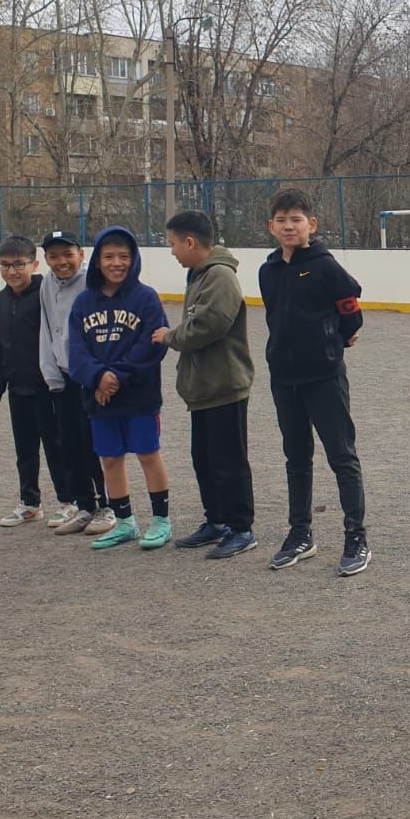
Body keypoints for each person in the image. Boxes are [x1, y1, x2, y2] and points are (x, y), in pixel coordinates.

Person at [259, 188, 370, 574]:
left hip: (324, 377)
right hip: (284, 379)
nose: (289, 226)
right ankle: (300, 535)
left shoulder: (324, 266)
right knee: (296, 458)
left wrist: (339, 338)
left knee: (342, 457)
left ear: (312, 224)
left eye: (296, 220)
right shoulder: (268, 271)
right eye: (282, 220)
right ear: (272, 226)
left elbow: (351, 307)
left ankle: (356, 537)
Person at [153, 210, 257, 560]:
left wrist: (170, 336)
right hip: (204, 388)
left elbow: (210, 324)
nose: (172, 251)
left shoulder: (220, 276)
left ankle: (242, 528)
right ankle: (217, 521)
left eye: (172, 244)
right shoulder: (199, 274)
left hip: (224, 385)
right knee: (205, 460)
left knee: (229, 462)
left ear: (190, 242)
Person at [67, 226, 172, 551]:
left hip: (139, 395)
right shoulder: (84, 303)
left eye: (124, 256)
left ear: (134, 259)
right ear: (97, 261)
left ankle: (161, 520)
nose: (117, 263)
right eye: (109, 256)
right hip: (100, 397)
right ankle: (125, 522)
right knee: (110, 459)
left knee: (148, 454)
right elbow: (76, 351)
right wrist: (98, 377)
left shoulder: (146, 298)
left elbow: (152, 345)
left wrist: (115, 377)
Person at [0, 235, 70, 527]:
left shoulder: (45, 294)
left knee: (56, 445)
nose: (12, 271)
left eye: (19, 264)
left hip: (47, 386)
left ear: (34, 264)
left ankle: (69, 500)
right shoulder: (3, 298)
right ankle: (30, 502)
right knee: (24, 448)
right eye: (5, 265)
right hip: (17, 386)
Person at [38, 230, 113, 537]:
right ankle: (85, 505)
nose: (62, 262)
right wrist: (51, 373)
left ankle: (109, 506)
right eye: (53, 256)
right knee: (71, 444)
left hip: (90, 377)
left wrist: (101, 373)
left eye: (68, 254)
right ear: (45, 259)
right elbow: (47, 328)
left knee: (96, 443)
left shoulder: (93, 283)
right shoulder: (47, 283)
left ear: (81, 255)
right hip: (64, 376)